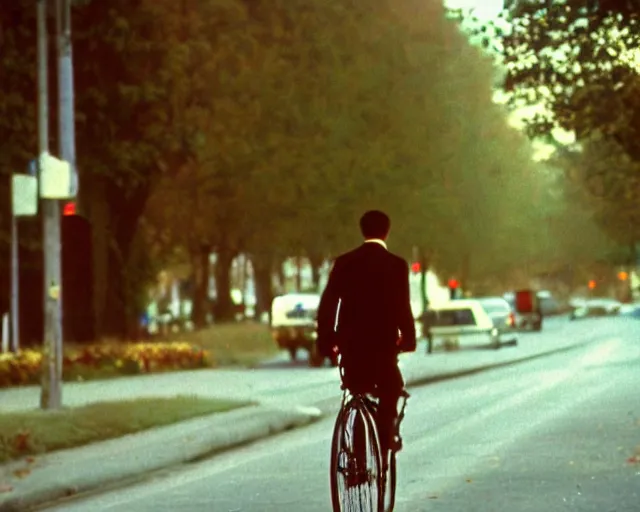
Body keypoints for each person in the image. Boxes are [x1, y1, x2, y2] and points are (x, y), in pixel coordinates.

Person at [317, 209, 417, 462]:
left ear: (362, 230)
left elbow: (328, 304)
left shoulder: (344, 262)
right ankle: (385, 437)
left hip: (351, 345)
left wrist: (327, 340)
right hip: (383, 344)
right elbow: (402, 306)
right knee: (391, 387)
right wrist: (408, 339)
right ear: (387, 230)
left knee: (356, 389)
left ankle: (357, 458)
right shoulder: (396, 264)